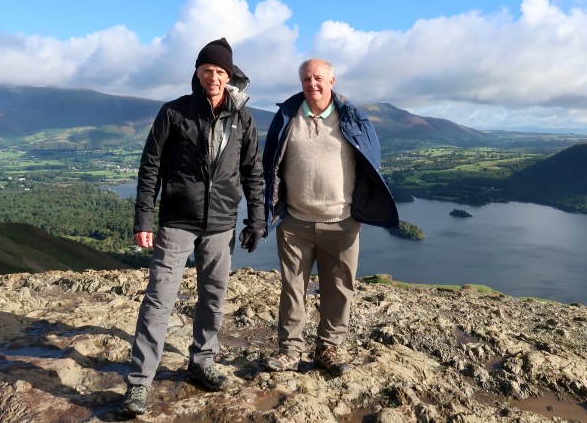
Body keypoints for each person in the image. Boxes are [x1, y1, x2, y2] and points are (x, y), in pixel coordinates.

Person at [121, 38, 265, 416]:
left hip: (220, 224)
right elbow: (150, 167)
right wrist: (143, 218)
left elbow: (253, 172)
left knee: (213, 297)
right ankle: (139, 384)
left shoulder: (242, 118)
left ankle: (202, 362)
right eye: (207, 70)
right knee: (159, 299)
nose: (213, 78)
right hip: (176, 222)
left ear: (230, 75)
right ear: (197, 73)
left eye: (219, 72)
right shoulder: (175, 113)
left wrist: (257, 219)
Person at [262, 58, 399, 376]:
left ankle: (328, 348)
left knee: (339, 288)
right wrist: (266, 211)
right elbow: (270, 167)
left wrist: (361, 209)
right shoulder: (286, 117)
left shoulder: (352, 117)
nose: (313, 83)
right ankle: (290, 350)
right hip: (295, 220)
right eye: (307, 78)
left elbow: (370, 162)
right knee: (292, 288)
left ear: (332, 81)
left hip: (341, 220)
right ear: (301, 82)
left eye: (319, 77)